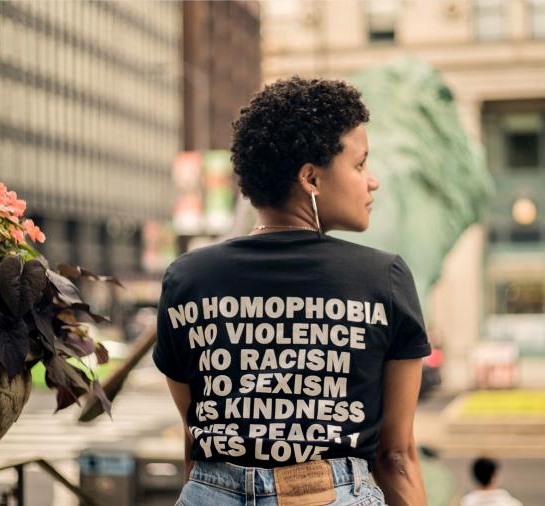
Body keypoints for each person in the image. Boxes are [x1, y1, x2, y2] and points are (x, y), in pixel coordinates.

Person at [153, 77, 430, 505]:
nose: (372, 182)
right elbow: (395, 455)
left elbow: (198, 439)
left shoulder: (186, 279)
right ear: (311, 178)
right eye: (360, 165)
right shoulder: (383, 278)